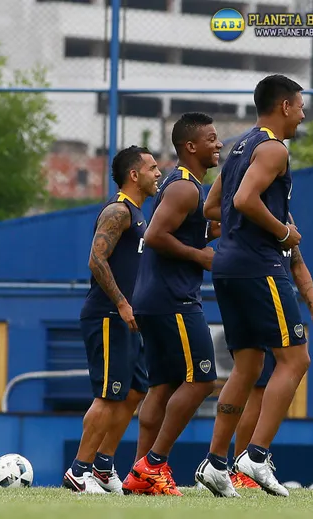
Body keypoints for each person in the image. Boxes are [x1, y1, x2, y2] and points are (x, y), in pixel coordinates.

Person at [194, 74, 310, 498]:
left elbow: (212, 206)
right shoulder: (274, 148)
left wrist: (241, 232)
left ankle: (216, 462)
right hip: (259, 266)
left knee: (246, 366)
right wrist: (281, 232)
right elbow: (243, 201)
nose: (302, 113)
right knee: (295, 360)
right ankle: (256, 455)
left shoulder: (240, 145)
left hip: (227, 265)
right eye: (299, 106)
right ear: (283, 107)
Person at [122, 113, 222, 496]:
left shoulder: (190, 187)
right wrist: (201, 257)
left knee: (162, 385)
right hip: (173, 299)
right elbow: (157, 234)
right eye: (212, 139)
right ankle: (154, 465)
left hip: (155, 298)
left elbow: (194, 228)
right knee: (202, 380)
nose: (218, 145)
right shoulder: (185, 188)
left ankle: (140, 473)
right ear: (190, 147)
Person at [63, 146, 161, 494]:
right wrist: (121, 303)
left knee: (135, 392)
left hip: (128, 319)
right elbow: (96, 260)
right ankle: (79, 471)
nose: (158, 173)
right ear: (134, 175)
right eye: (152, 168)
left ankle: (103, 468)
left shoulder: (138, 214)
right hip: (107, 315)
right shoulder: (118, 211)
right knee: (108, 395)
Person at [227, 217, 313, 489]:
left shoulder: (282, 214)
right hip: (259, 294)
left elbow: (297, 263)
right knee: (257, 385)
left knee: (260, 384)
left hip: (273, 295)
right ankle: (242, 465)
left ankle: (241, 466)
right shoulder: (249, 205)